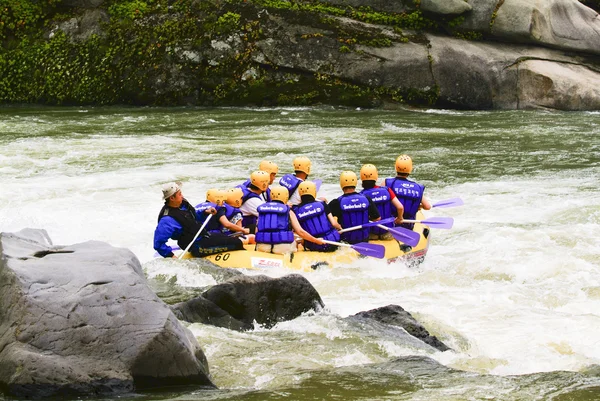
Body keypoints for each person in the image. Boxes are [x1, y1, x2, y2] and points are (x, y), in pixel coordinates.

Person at [154, 182, 244, 258]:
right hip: (196, 246)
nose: (182, 196)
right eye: (179, 194)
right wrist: (171, 256)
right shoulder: (167, 220)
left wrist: (206, 212)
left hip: (203, 236)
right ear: (172, 198)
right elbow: (158, 244)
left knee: (234, 238)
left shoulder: (183, 205)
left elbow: (193, 216)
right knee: (237, 243)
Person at [255, 186, 324, 254]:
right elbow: (300, 232)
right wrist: (316, 241)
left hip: (263, 247)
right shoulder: (289, 212)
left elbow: (257, 231)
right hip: (282, 248)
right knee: (296, 242)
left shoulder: (262, 211)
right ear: (286, 197)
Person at [328, 171, 380, 244]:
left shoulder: (336, 202)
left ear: (341, 184)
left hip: (346, 241)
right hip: (364, 239)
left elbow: (326, 220)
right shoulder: (366, 199)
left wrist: (337, 227)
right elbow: (377, 218)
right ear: (355, 183)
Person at [384, 155, 431, 230]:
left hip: (390, 223)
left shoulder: (387, 182)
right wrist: (418, 206)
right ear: (410, 169)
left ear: (395, 167)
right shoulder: (417, 187)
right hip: (408, 225)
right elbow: (427, 206)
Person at [292, 181, 342, 252]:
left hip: (314, 246)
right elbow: (334, 223)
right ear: (314, 192)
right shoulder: (322, 204)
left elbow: (298, 231)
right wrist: (340, 228)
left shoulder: (295, 210)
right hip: (333, 242)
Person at [360, 163, 404, 240]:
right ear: (376, 177)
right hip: (387, 232)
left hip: (371, 234)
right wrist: (400, 218)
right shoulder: (387, 190)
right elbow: (400, 207)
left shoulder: (361, 195)